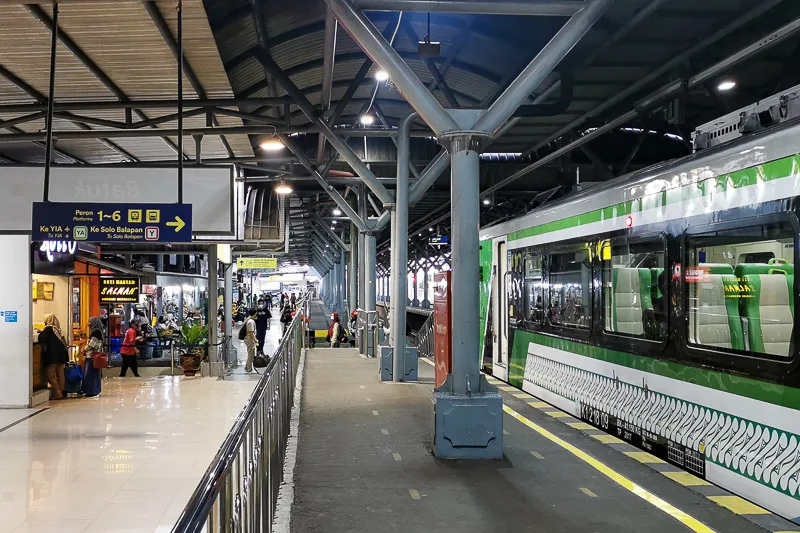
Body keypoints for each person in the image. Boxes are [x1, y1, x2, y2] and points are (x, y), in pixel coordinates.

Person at [39, 314, 69, 400]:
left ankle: (58, 393)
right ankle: (62, 391)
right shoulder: (57, 329)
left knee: (50, 375)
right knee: (60, 374)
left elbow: (42, 338)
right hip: (61, 355)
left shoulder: (48, 328)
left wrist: (40, 333)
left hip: (53, 356)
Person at [82, 316, 104, 397]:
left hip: (91, 357)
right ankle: (95, 390)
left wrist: (84, 349)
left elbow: (92, 344)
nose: (88, 324)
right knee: (95, 374)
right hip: (95, 356)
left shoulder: (95, 332)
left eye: (90, 322)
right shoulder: (99, 331)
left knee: (89, 374)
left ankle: (91, 391)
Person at [244, 309, 258, 373]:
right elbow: (251, 332)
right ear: (255, 314)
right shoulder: (251, 322)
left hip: (248, 339)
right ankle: (248, 368)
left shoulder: (248, 319)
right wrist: (255, 340)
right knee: (251, 354)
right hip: (249, 339)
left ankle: (247, 366)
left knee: (250, 353)